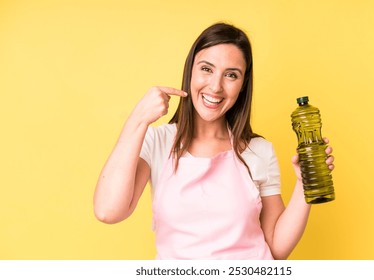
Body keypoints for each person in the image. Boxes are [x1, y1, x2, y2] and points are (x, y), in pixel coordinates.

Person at [93, 22, 335, 260]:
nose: (216, 86)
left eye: (231, 75)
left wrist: (305, 184)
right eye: (206, 69)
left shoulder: (258, 150)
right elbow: (107, 211)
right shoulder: (157, 141)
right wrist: (137, 120)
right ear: (190, 71)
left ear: (242, 86)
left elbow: (276, 248)